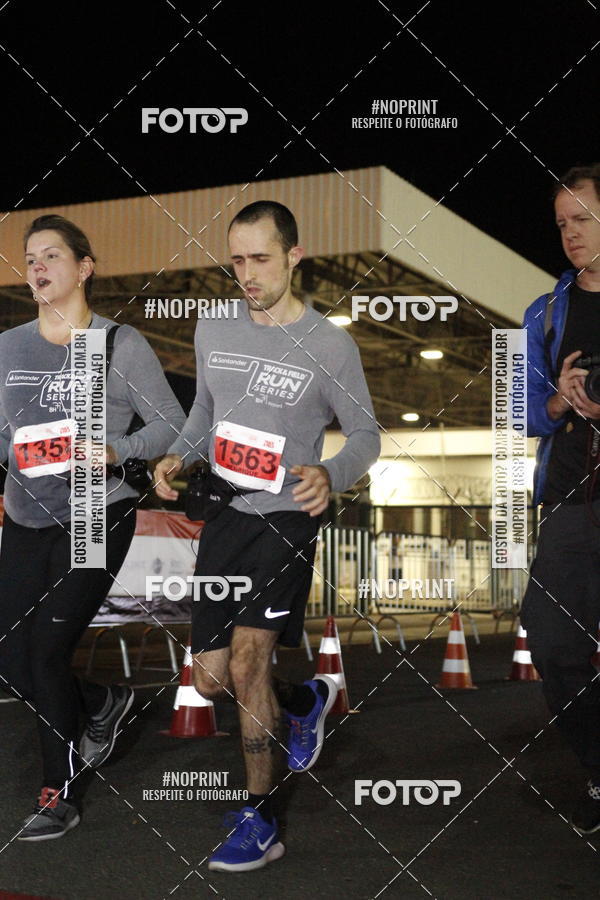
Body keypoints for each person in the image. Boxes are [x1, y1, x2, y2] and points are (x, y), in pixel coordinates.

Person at [155, 200, 380, 872]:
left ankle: (260, 820)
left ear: (293, 256)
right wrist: (177, 453)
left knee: (249, 664)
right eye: (237, 261)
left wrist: (329, 473)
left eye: (260, 259)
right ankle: (304, 699)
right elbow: (206, 413)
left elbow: (366, 433)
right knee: (211, 679)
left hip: (285, 520)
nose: (247, 274)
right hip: (224, 516)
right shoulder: (214, 326)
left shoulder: (330, 344)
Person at [0, 214, 185, 840]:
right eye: (30, 259)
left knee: (47, 650)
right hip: (26, 515)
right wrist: (20, 445)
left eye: (52, 255)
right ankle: (102, 702)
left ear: (85, 267)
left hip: (94, 511)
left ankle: (59, 790)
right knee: (10, 657)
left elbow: (172, 424)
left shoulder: (118, 344)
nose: (38, 267)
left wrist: (113, 450)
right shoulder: (10, 347)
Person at [521, 163, 600, 835]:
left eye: (584, 220)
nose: (571, 235)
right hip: (572, 501)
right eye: (562, 224)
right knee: (551, 640)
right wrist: (559, 397)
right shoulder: (545, 312)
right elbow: (524, 411)